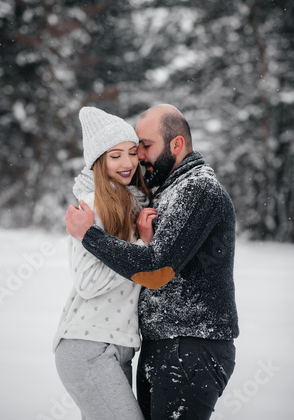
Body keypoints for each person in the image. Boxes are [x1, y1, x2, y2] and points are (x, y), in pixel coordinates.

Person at [65, 104, 239, 420]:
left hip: (191, 344)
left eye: (144, 146)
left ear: (177, 145)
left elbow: (155, 271)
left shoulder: (198, 188)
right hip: (161, 345)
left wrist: (90, 235)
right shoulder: (167, 191)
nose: (139, 157)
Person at [53, 106, 154, 420]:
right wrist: (142, 246)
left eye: (132, 152)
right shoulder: (93, 205)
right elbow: (88, 283)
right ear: (99, 161)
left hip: (118, 346)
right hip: (87, 345)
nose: (127, 163)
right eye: (115, 156)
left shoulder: (132, 199)